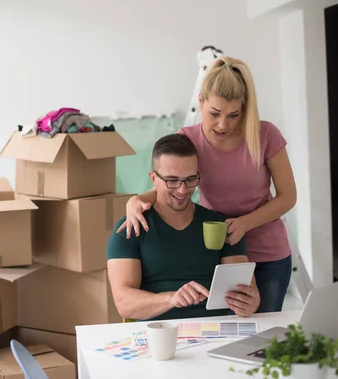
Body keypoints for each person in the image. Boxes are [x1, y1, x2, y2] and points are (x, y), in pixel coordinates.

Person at [118, 56, 296, 314]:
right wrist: (135, 201)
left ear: (245, 108)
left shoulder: (265, 135)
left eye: (234, 115)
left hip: (267, 254)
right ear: (201, 101)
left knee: (263, 335)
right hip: (219, 254)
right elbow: (169, 183)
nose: (223, 124)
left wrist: (245, 223)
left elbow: (288, 196)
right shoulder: (188, 140)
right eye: (214, 113)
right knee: (227, 334)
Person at [107, 133, 260, 321]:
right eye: (172, 180)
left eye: (190, 179)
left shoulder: (221, 225)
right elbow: (124, 304)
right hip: (158, 333)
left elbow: (243, 289)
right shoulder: (130, 228)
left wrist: (250, 302)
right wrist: (172, 299)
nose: (182, 190)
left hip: (216, 329)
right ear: (153, 178)